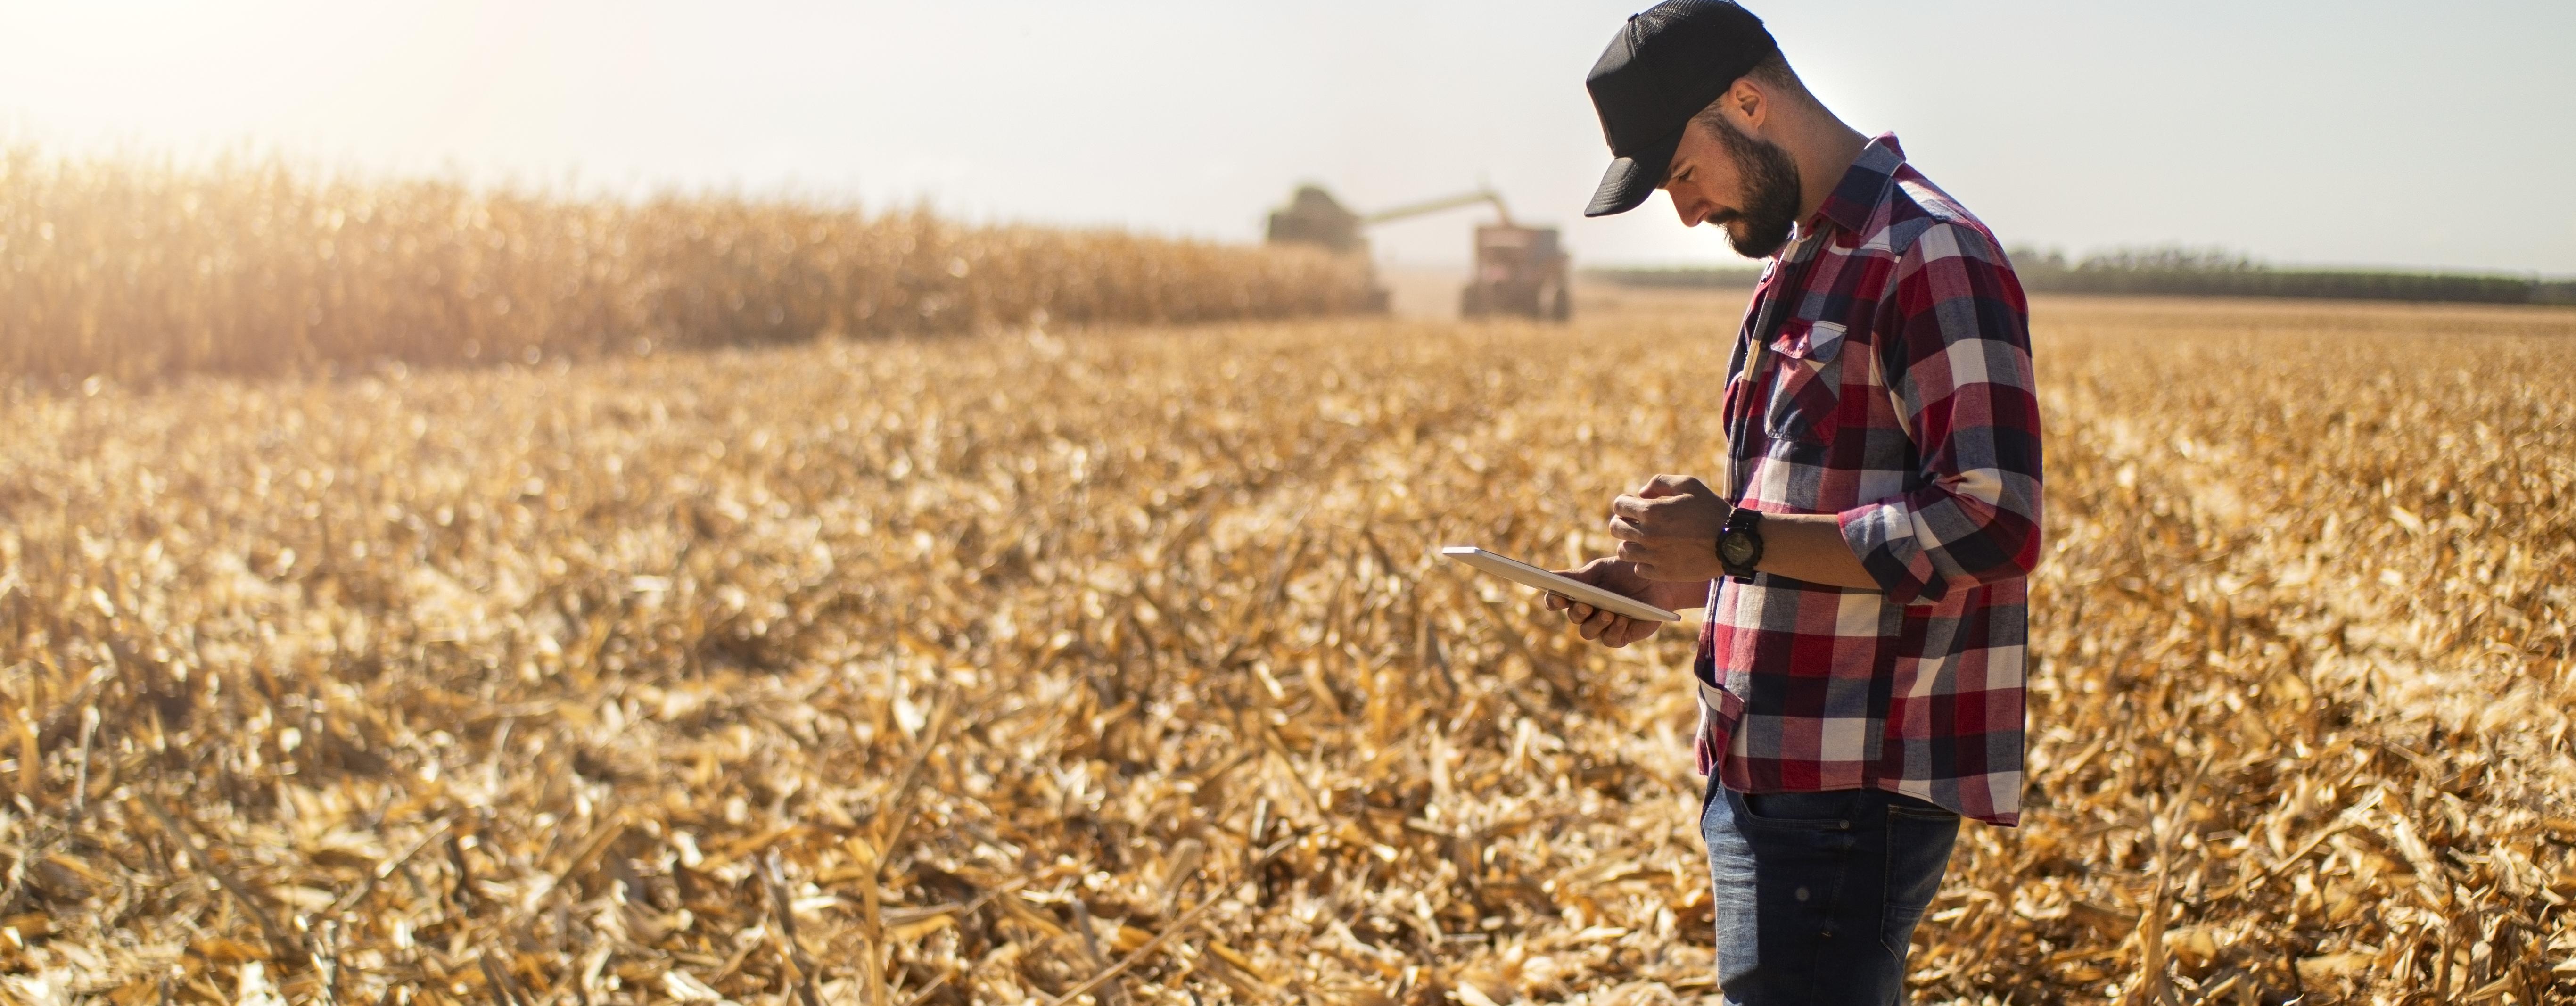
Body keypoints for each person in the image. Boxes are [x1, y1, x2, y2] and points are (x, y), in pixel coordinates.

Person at [1544, 2, 2045, 1003]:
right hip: (1764, 767)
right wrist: (1668, 581)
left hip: (1849, 787)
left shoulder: (1926, 252)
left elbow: (1994, 518)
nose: (1683, 212)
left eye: (1683, 174)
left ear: (1749, 103)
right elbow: (1796, 532)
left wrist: (1730, 539)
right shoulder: (1801, 262)